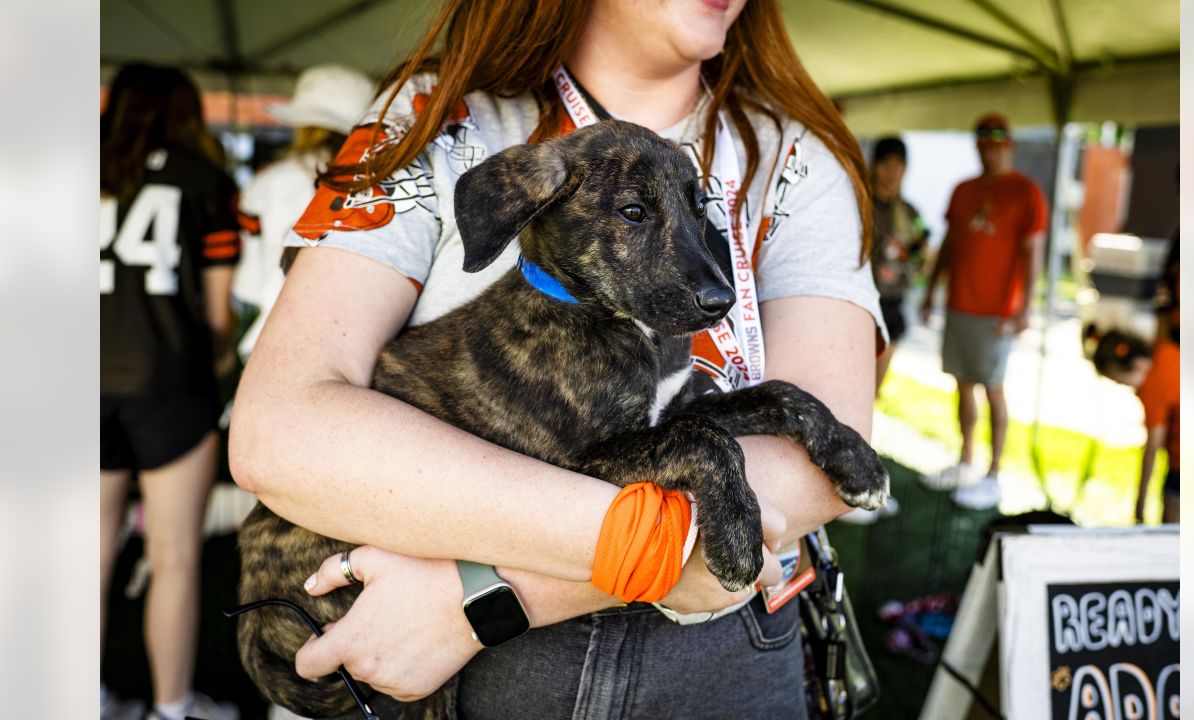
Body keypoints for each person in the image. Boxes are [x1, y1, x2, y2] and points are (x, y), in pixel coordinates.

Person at [229, 0, 887, 716]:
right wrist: (662, 547)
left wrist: (481, 598)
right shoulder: (427, 123)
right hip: (455, 669)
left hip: (706, 658)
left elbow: (820, 464)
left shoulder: (794, 159)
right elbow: (278, 432)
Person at [100, 64, 241, 720]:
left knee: (88, 547)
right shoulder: (206, 179)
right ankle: (171, 708)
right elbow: (218, 319)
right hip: (171, 382)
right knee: (175, 555)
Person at [919, 113, 1047, 511]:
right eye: (982, 139)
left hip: (997, 312)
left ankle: (994, 474)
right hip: (961, 303)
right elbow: (951, 245)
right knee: (962, 383)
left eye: (997, 139)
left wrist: (1026, 307)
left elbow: (1033, 253)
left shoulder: (1026, 192)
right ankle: (966, 459)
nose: (989, 146)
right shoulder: (963, 190)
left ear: (1009, 143)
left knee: (994, 387)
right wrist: (931, 292)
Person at [232, 65, 374, 359]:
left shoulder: (267, 183)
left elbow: (250, 284)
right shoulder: (380, 183)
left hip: (274, 336)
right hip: (358, 342)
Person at [1086, 328, 1180, 524]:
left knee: (1172, 527)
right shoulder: (1163, 349)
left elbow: (1153, 446)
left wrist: (1140, 503)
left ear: (1137, 366)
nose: (1131, 389)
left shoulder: (1152, 386)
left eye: (1122, 382)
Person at [868, 136, 929, 394]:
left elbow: (923, 256)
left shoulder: (910, 213)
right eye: (885, 164)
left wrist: (914, 259)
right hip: (863, 304)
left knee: (874, 392)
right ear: (874, 166)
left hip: (892, 304)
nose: (891, 172)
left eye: (898, 165)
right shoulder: (861, 204)